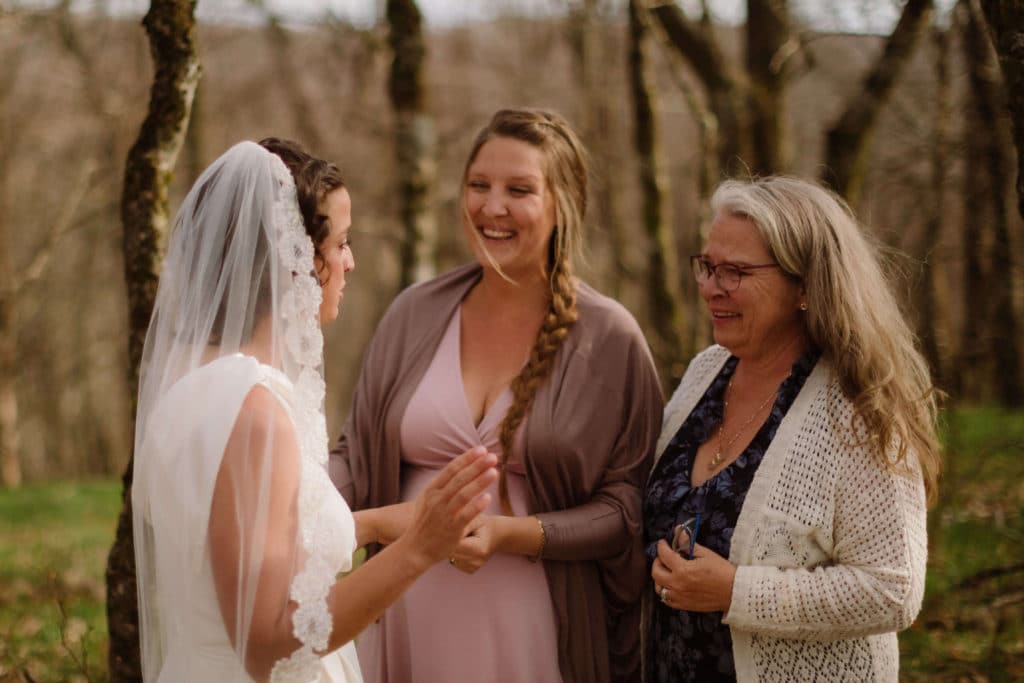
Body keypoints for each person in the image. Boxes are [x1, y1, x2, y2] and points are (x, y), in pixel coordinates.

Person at [131, 138, 498, 683]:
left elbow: (241, 550)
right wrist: (421, 549)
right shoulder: (254, 412)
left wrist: (380, 523)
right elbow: (269, 645)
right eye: (341, 243)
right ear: (294, 260)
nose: (350, 262)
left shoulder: (191, 388)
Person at [329, 108, 664, 683]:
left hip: (535, 637)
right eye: (478, 186)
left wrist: (512, 534)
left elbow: (629, 508)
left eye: (519, 190)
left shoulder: (610, 339)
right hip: (405, 618)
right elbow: (354, 458)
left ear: (563, 205)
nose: (492, 207)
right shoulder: (415, 313)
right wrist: (283, 498)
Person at [642, 175, 940, 682]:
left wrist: (737, 591)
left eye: (736, 271)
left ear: (804, 286)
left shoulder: (859, 409)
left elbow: (893, 590)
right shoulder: (704, 372)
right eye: (708, 266)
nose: (712, 288)